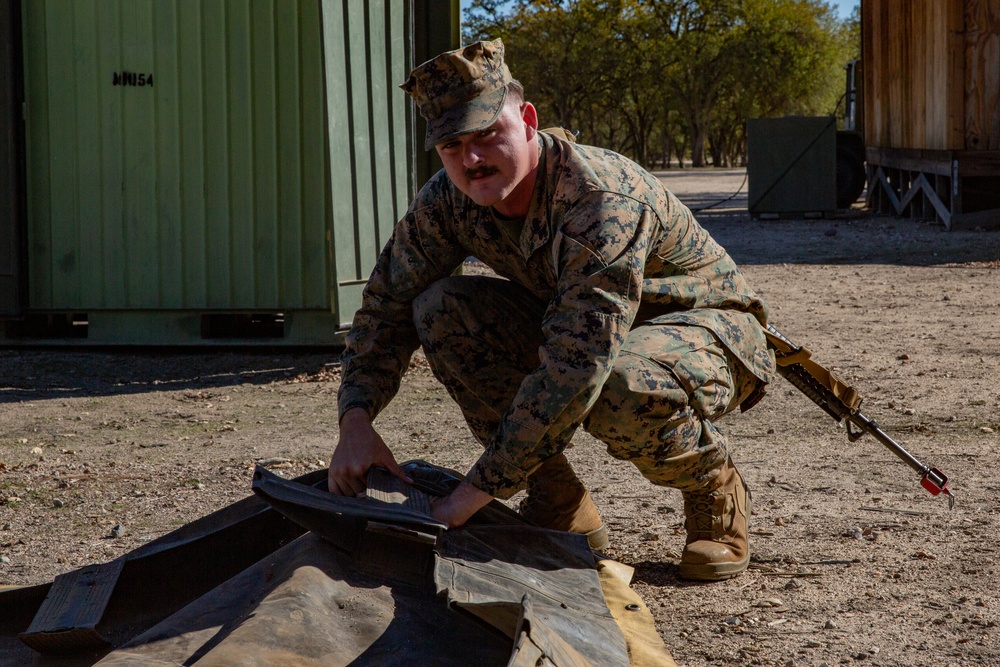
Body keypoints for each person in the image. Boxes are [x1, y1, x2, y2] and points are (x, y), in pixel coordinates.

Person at [327, 39, 775, 581]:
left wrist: (470, 496)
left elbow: (578, 365)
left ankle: (714, 486)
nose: (471, 159)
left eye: (487, 135)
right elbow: (385, 304)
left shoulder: (600, 199)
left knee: (619, 385)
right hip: (585, 327)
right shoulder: (447, 199)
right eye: (451, 145)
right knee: (439, 308)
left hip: (705, 328)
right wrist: (355, 418)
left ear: (527, 119)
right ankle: (558, 500)